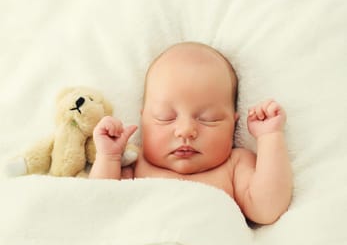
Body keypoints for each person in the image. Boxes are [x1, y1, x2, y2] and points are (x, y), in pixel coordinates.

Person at [89, 42, 293, 225]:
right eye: (165, 117)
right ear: (143, 120)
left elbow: (267, 209)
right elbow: (100, 209)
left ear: (233, 123)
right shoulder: (135, 162)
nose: (186, 130)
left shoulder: (235, 165)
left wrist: (269, 137)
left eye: (209, 118)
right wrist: (108, 157)